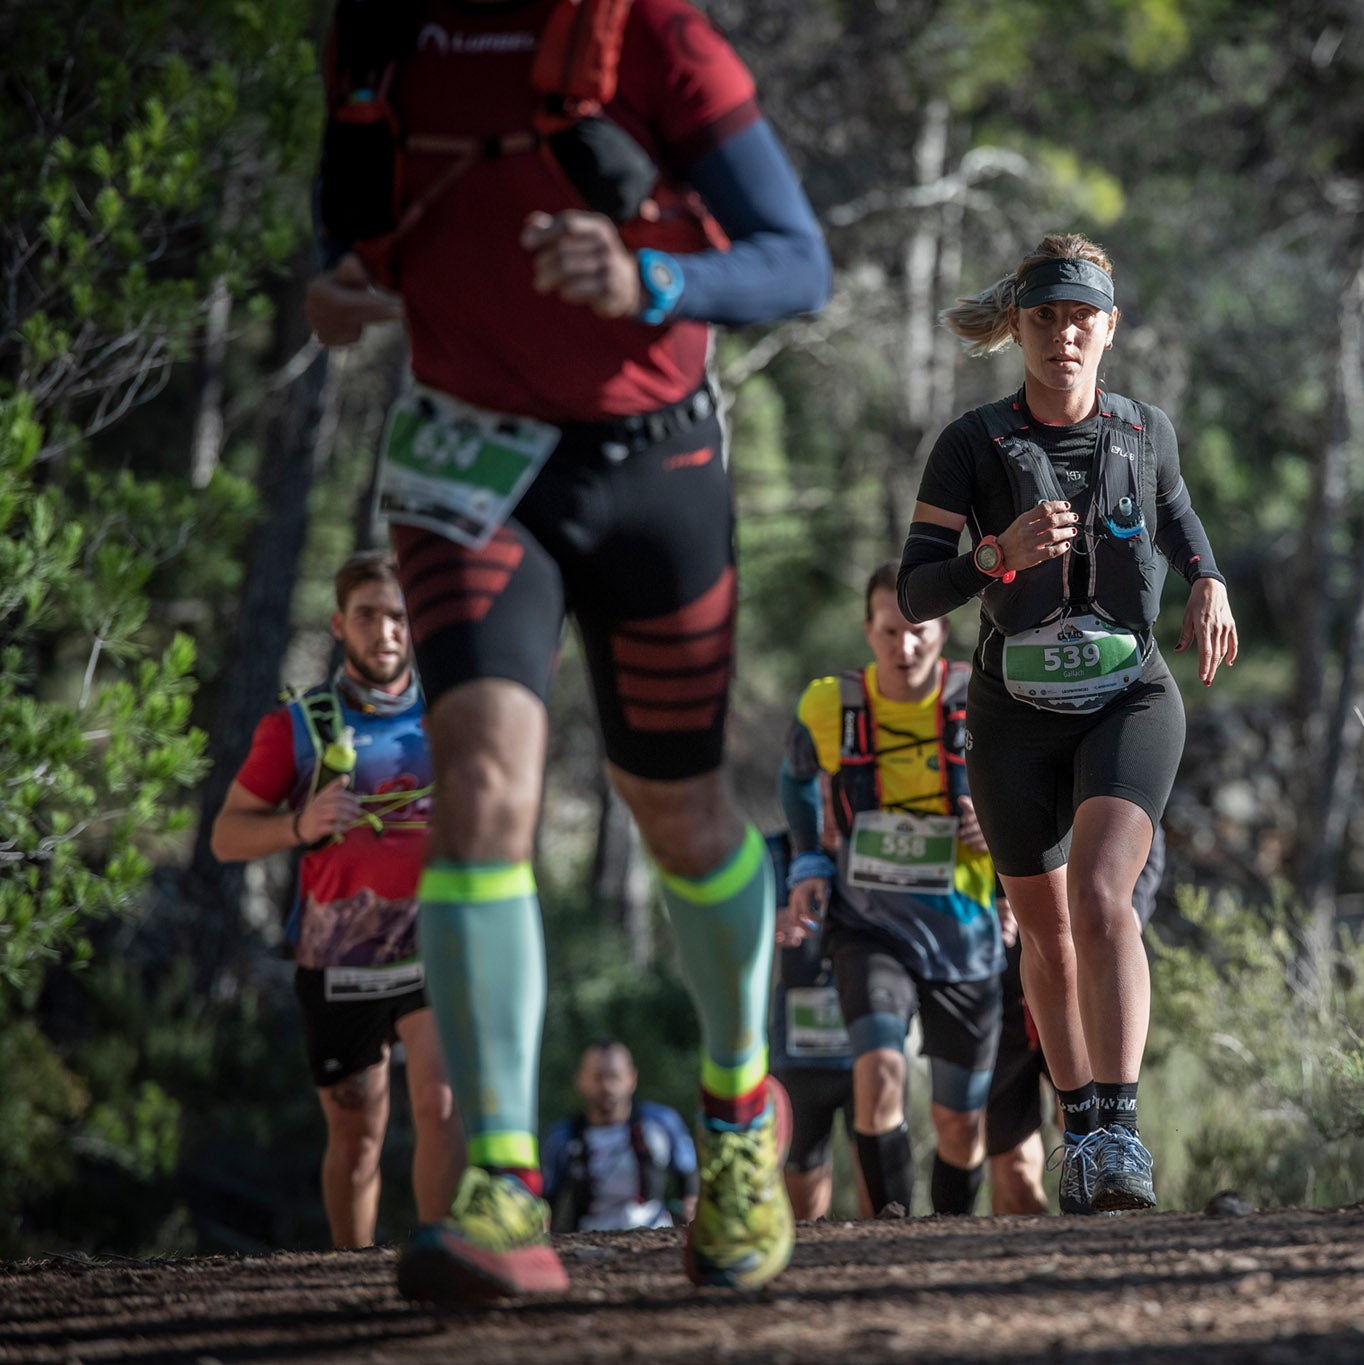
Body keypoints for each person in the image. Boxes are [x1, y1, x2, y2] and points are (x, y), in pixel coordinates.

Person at [305, 0, 831, 1301]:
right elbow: (352, 217)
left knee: (684, 814)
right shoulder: (384, 32)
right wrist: (339, 280)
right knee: (480, 783)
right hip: (464, 461)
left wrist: (652, 277)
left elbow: (796, 264)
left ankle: (738, 1116)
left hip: (653, 467)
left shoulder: (655, 41)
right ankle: (500, 1180)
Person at [896, 233, 1237, 1214]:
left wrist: (1209, 581)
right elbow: (917, 590)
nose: (1062, 336)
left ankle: (1120, 1134)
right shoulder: (971, 444)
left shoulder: (1144, 432)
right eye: (1043, 318)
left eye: (1080, 318)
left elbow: (1181, 527)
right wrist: (989, 558)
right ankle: (1079, 1127)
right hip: (1011, 716)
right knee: (1043, 937)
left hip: (1129, 697)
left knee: (1100, 899)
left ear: (1109, 328)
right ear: (1018, 328)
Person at [211, 551, 464, 1248]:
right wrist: (300, 825)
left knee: (442, 1108)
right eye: (368, 616)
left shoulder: (450, 712)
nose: (385, 631)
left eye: (398, 616)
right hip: (337, 958)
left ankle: (437, 1256)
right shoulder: (300, 725)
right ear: (339, 624)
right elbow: (226, 837)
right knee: (357, 1139)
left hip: (431, 948)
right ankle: (349, 1272)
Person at [778, 563, 1006, 1218]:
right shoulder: (829, 703)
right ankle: (891, 1235)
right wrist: (809, 864)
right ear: (867, 629)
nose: (904, 648)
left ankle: (950, 1239)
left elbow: (1034, 787)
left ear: (944, 628)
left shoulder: (985, 693)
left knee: (960, 1122)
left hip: (965, 933)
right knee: (878, 1073)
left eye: (919, 631)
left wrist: (998, 826)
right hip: (869, 925)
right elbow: (793, 780)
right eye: (889, 631)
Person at [984, 829, 1163, 1216]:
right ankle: (1036, 1261)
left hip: (1085, 995)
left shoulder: (1092, 777)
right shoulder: (974, 774)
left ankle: (1101, 1242)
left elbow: (1143, 825)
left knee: (1095, 1137)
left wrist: (1125, 914)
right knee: (1014, 1168)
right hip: (999, 995)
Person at [765, 833, 864, 1221]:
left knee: (877, 1169)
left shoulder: (872, 841)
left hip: (866, 1048)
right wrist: (768, 924)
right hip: (797, 1051)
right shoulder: (770, 854)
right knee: (802, 1188)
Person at [541, 1041, 699, 1232]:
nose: (607, 1086)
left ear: (631, 1079)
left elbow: (690, 1184)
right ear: (581, 1080)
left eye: (614, 1076)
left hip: (655, 1232)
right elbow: (546, 1200)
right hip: (586, 1241)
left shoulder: (662, 1123)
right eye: (598, 1077)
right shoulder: (561, 1137)